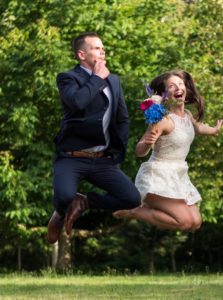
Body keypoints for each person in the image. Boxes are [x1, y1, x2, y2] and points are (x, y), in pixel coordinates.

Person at [47, 32, 141, 243]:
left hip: (101, 159)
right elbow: (78, 102)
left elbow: (122, 118)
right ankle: (60, 214)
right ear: (82, 54)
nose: (102, 51)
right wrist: (97, 77)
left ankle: (84, 202)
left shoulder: (114, 81)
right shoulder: (68, 78)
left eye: (103, 48)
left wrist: (116, 152)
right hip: (71, 156)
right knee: (63, 197)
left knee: (132, 198)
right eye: (97, 48)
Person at [113, 70, 223, 231]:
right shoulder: (163, 120)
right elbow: (139, 151)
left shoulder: (187, 115)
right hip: (157, 176)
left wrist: (214, 130)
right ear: (165, 95)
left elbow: (197, 128)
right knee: (185, 222)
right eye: (172, 86)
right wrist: (147, 143)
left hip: (178, 175)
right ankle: (136, 211)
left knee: (195, 223)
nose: (178, 88)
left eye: (180, 84)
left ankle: (142, 210)